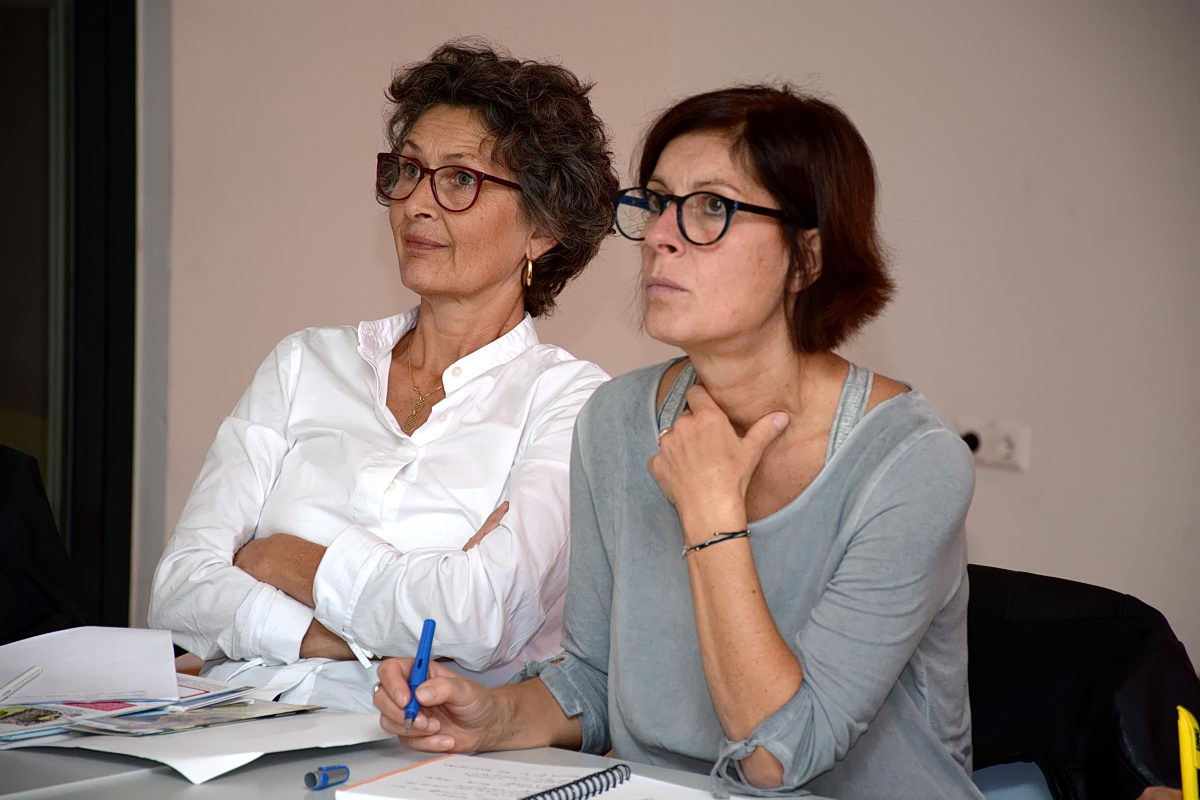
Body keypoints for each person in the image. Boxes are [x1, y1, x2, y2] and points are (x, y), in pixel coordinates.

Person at [375, 85, 983, 798]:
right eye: (659, 202)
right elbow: (594, 680)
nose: (662, 235)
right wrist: (491, 718)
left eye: (711, 208)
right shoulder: (614, 420)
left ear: (807, 258)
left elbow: (777, 757)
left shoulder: (912, 462)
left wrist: (713, 516)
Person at [148, 41, 616, 712]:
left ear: (543, 228)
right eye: (408, 170)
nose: (415, 204)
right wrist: (340, 636)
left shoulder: (570, 401)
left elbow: (479, 618)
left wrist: (280, 560)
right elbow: (178, 591)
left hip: (407, 740)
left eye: (460, 179)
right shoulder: (304, 362)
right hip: (226, 719)